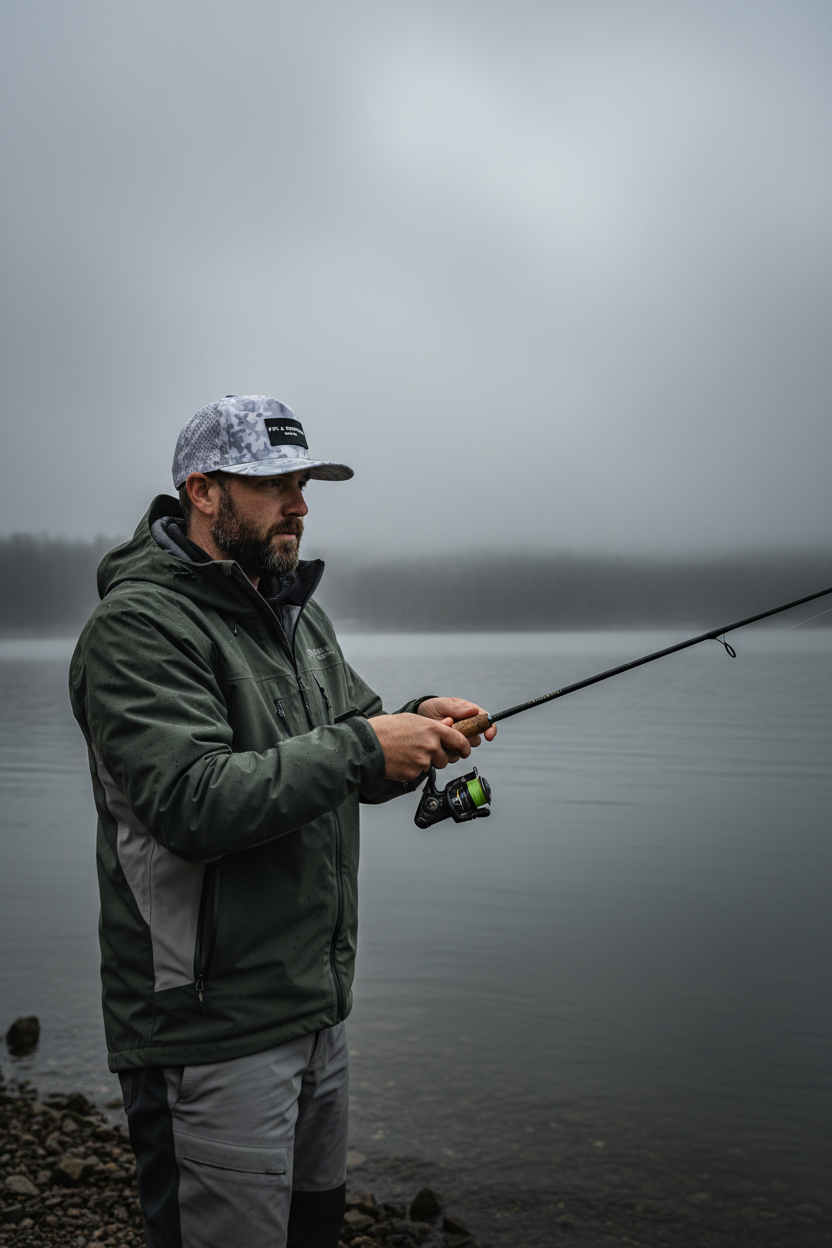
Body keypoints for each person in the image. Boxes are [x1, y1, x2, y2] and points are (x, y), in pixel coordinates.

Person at [69, 395, 495, 1248]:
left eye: (303, 482)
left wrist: (417, 726)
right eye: (275, 485)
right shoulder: (140, 627)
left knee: (313, 1231)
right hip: (209, 1030)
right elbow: (192, 802)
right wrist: (369, 748)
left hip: (314, 1010)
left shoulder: (296, 614)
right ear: (203, 490)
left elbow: (351, 743)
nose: (299, 503)